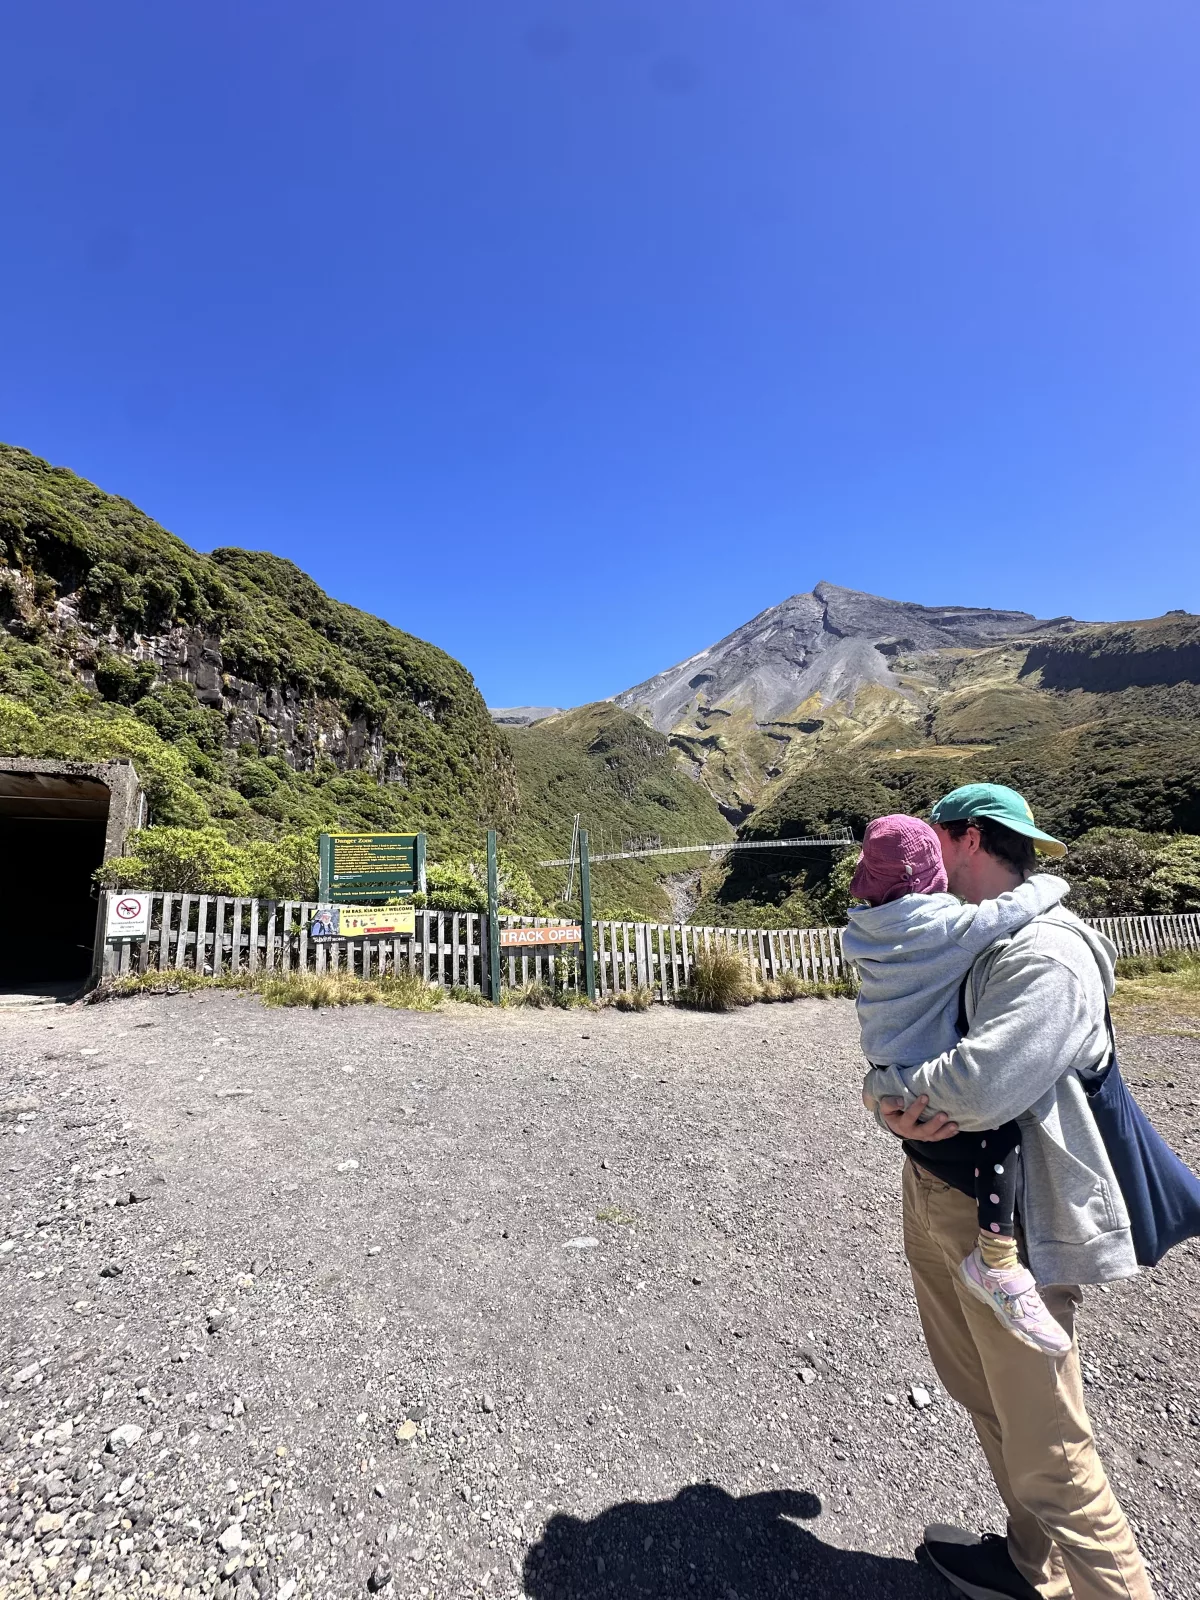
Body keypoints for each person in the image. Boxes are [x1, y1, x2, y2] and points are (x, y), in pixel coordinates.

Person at [863, 783, 1153, 1600]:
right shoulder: (968, 936)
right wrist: (883, 1095)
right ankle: (1034, 1568)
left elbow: (981, 1087)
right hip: (938, 1193)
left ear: (967, 839)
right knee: (985, 1397)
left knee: (1054, 1455)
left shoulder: (1047, 954)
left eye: (934, 833)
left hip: (1009, 1231)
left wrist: (884, 1090)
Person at [844, 813, 1071, 1357]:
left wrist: (879, 1090)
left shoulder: (863, 931)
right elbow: (1010, 910)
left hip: (886, 1055)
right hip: (926, 1063)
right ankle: (996, 1257)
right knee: (1001, 1131)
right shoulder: (948, 927)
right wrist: (1051, 884)